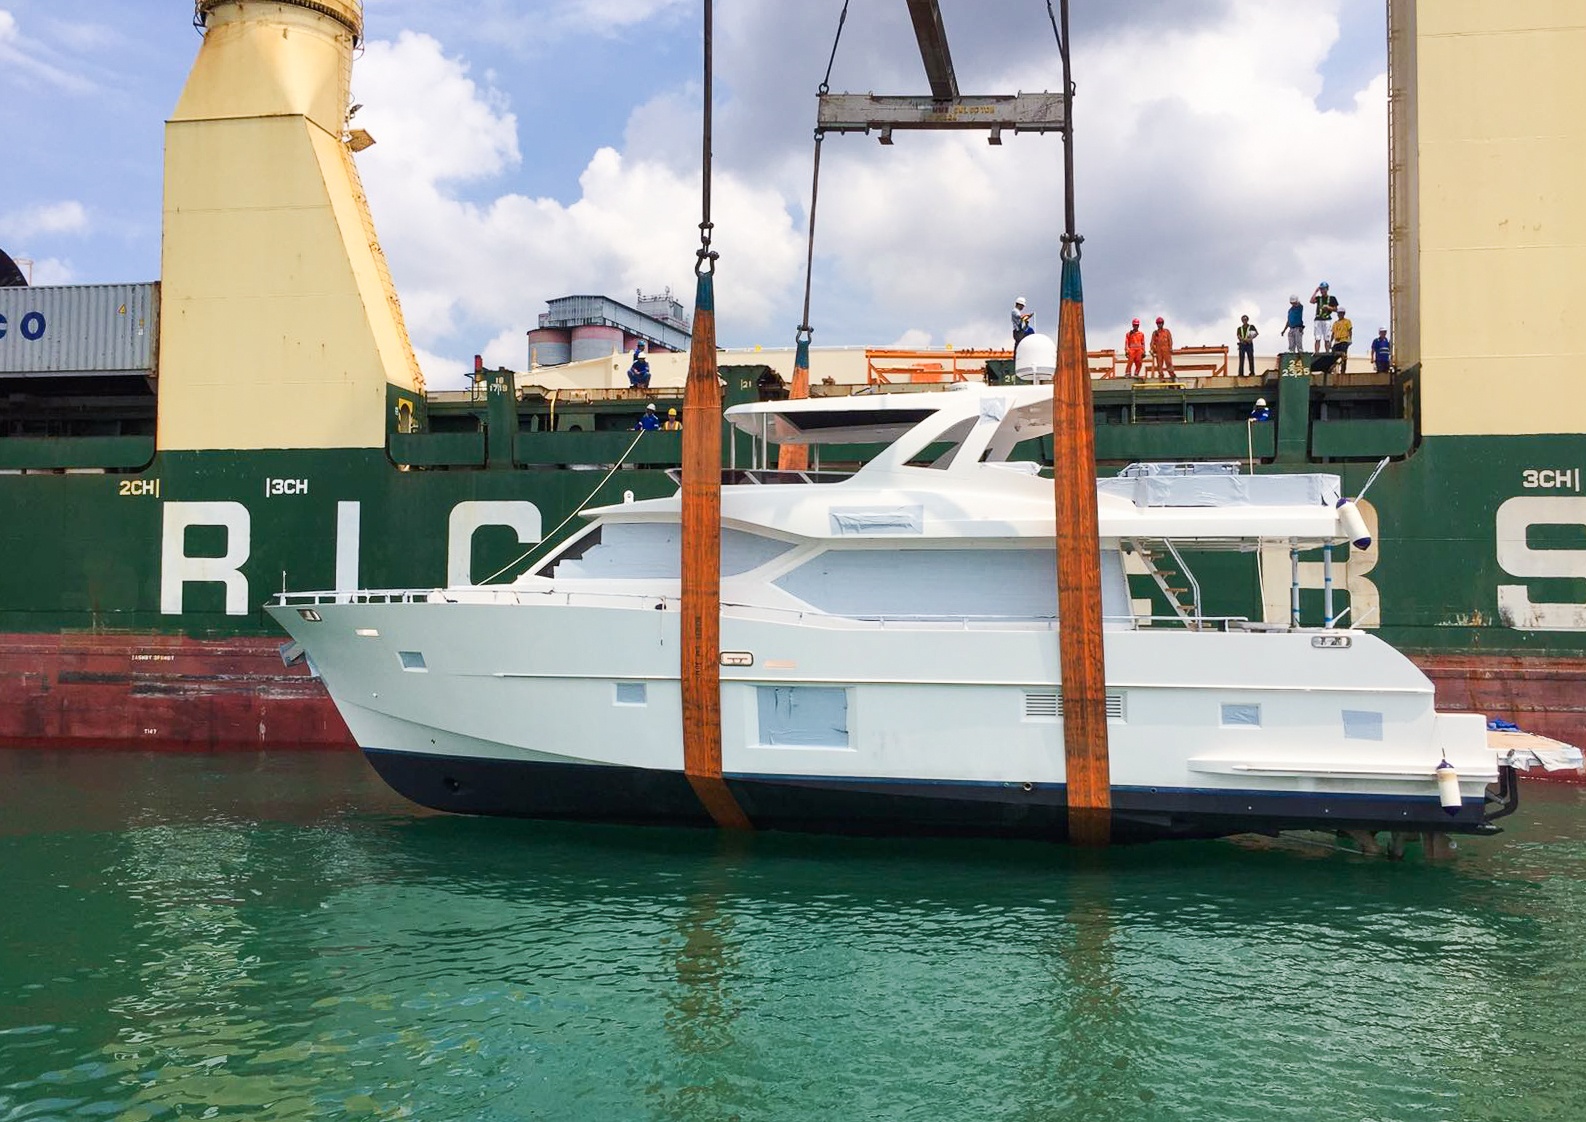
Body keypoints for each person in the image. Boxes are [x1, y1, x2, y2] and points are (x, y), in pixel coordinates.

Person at [1310, 282, 1337, 352]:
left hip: (1327, 319)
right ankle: (1317, 352)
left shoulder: (1332, 298)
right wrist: (1316, 291)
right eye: (1321, 289)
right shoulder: (1319, 298)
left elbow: (1336, 309)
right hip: (1318, 319)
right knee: (1317, 338)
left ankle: (1327, 352)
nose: (1322, 291)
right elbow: (1311, 301)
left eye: (1324, 289)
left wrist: (1328, 307)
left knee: (1327, 338)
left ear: (1327, 289)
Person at [1330, 308, 1353, 372]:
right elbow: (1333, 333)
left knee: (1343, 355)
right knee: (1333, 355)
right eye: (1339, 313)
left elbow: (1350, 330)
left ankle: (1343, 369)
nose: (1340, 314)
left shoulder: (1347, 321)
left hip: (1344, 340)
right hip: (1337, 341)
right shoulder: (1335, 323)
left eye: (1342, 313)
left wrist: (1350, 339)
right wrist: (1330, 341)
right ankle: (1332, 368)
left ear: (1344, 314)